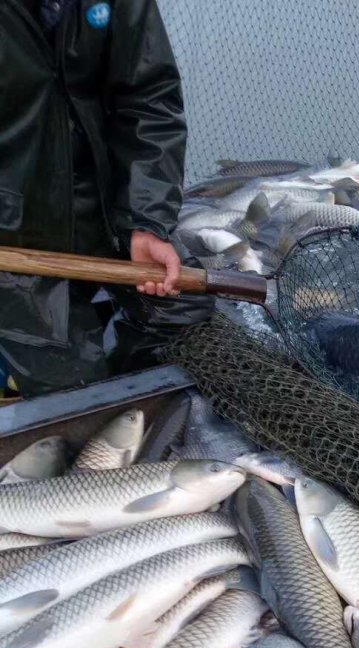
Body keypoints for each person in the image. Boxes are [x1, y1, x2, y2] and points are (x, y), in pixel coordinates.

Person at [0, 0, 211, 397]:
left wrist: (145, 221)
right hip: (13, 236)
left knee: (184, 314)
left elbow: (150, 98)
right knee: (71, 383)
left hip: (103, 212)